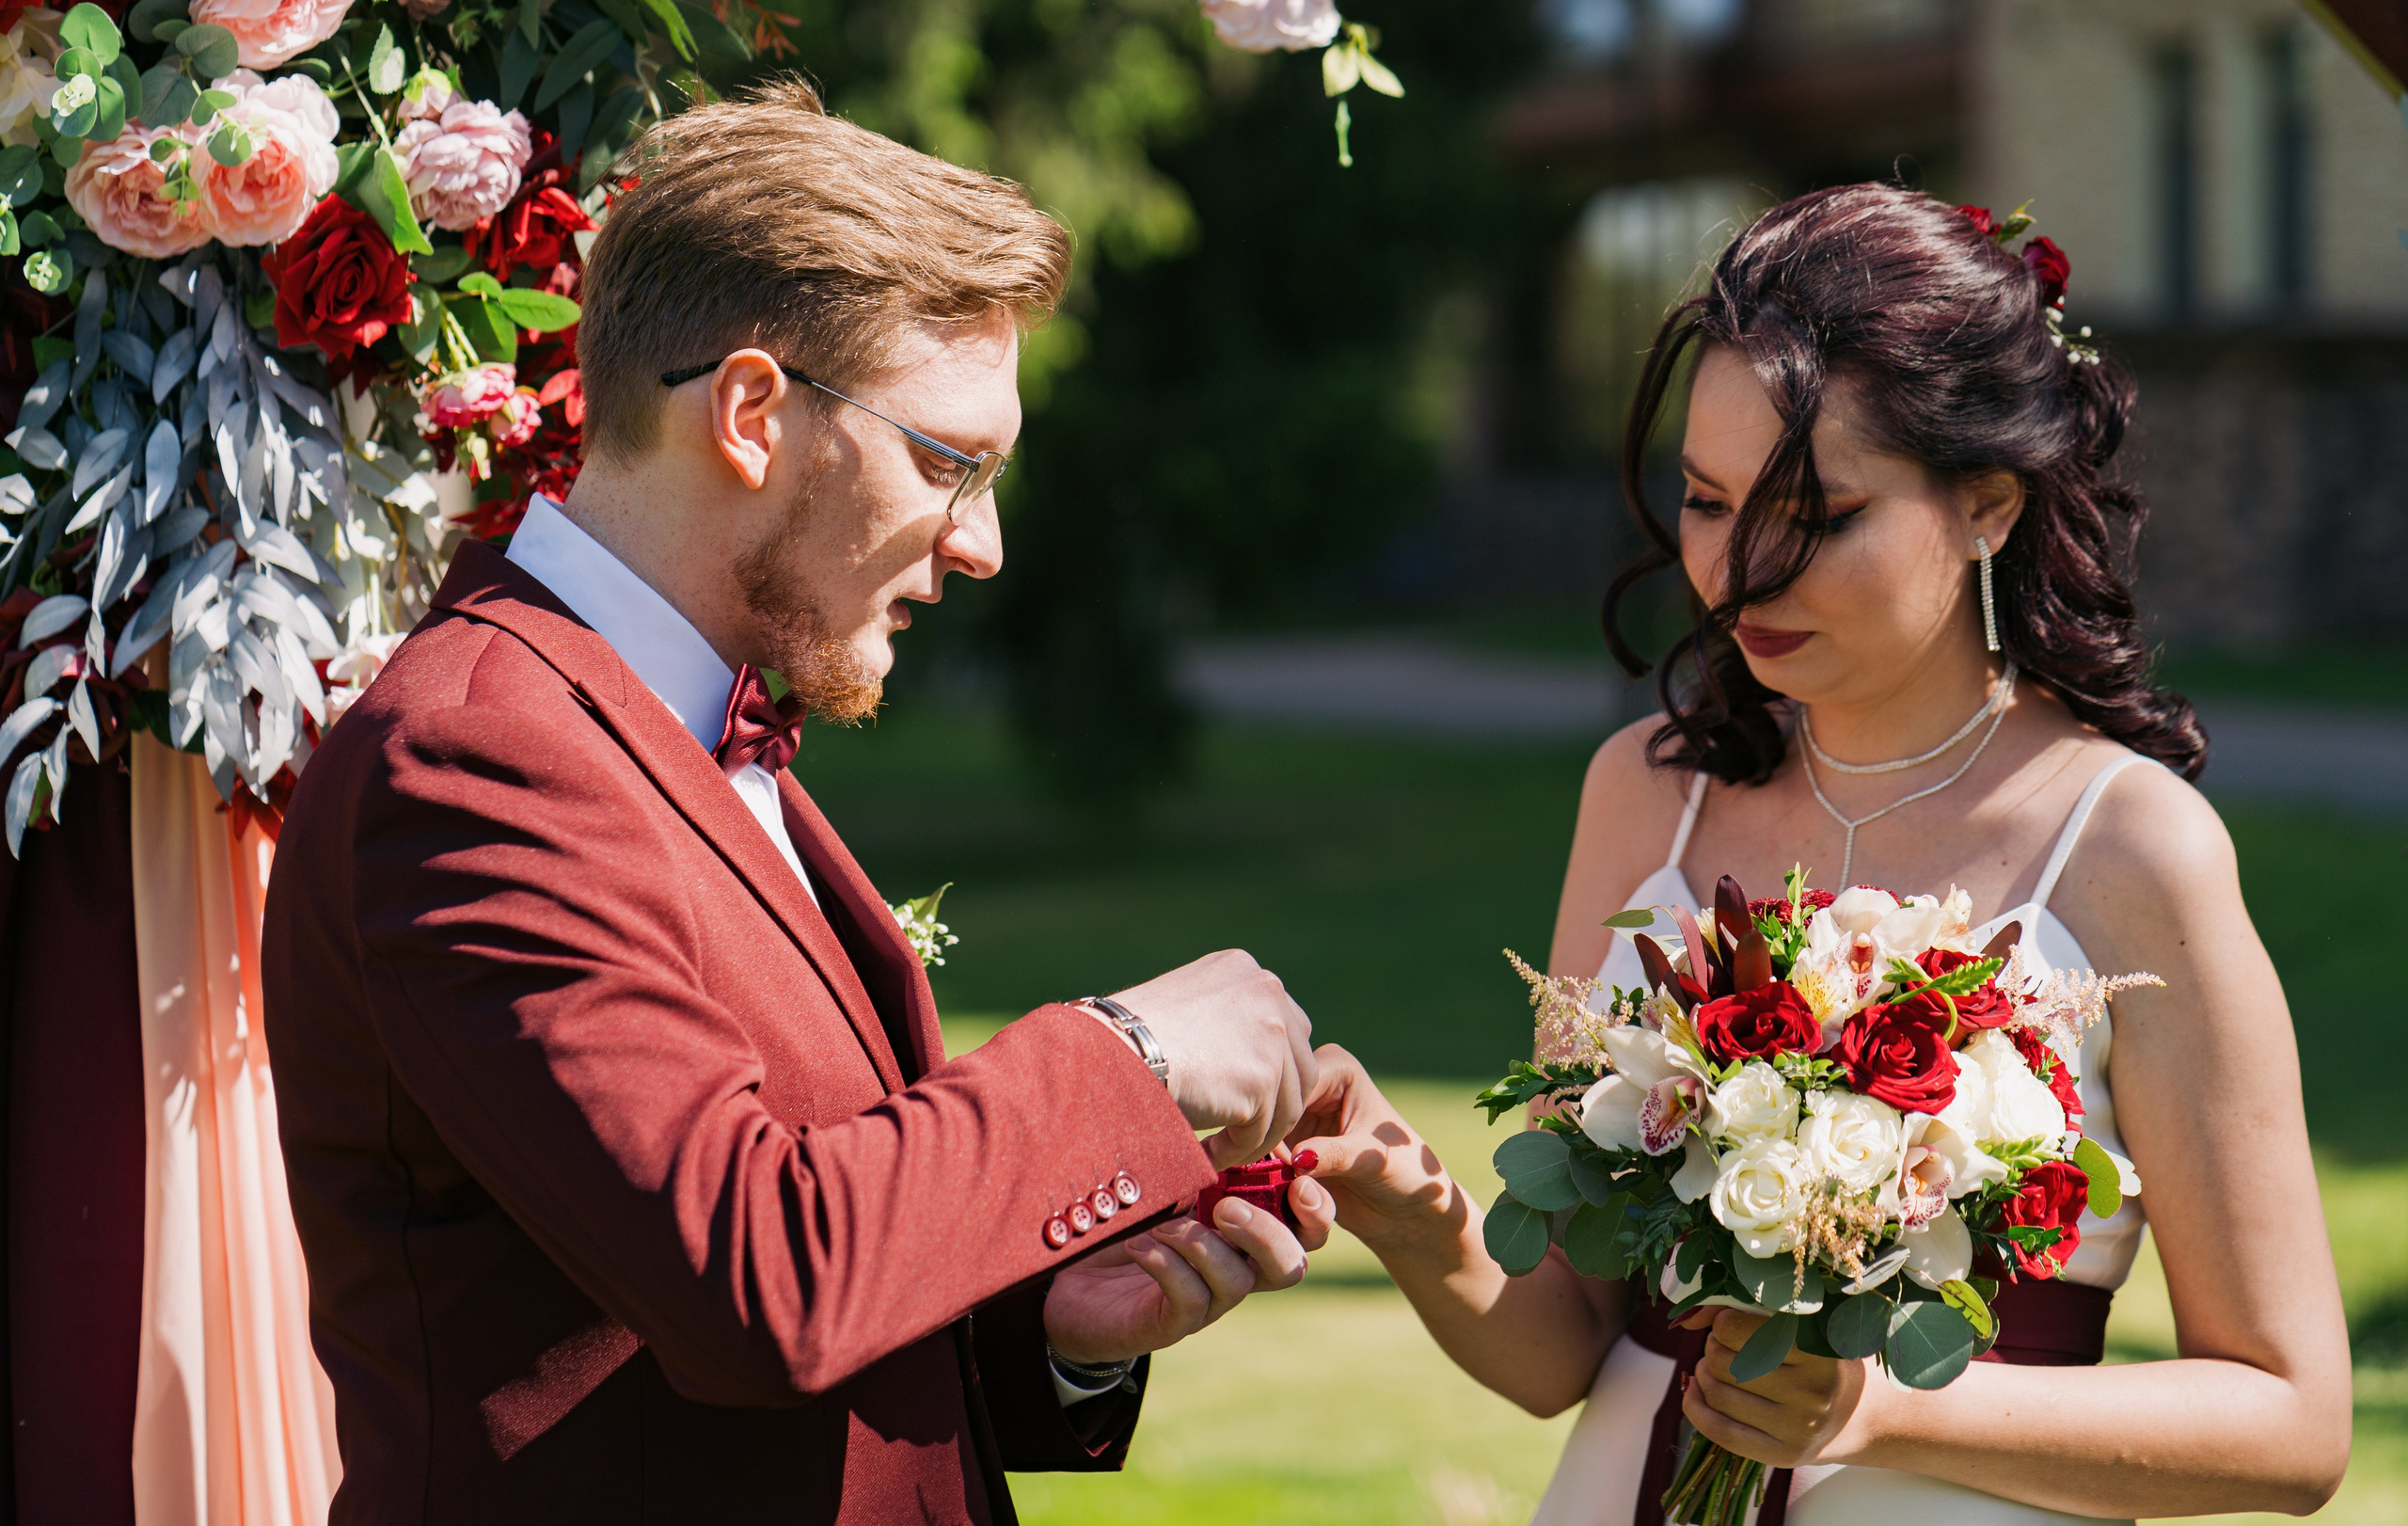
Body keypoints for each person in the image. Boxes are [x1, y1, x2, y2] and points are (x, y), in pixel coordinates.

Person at [261, 78, 1334, 1524]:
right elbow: (758, 1279)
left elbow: (733, 1263)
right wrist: (1126, 1056)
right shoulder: (472, 764)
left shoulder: (684, 734)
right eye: (954, 464)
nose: (985, 547)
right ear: (755, 412)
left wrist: (1052, 1331)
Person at [1291, 184, 2351, 1523]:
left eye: (1822, 513)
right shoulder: (1641, 799)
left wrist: (1891, 1404)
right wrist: (1412, 1206)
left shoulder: (2134, 849)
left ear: (1989, 505)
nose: (1741, 574)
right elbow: (1561, 1346)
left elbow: (2294, 1421)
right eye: (1706, 500)